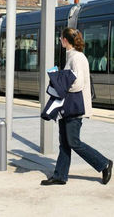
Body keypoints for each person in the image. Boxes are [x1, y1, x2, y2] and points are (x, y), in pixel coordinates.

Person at [41, 28, 113, 186]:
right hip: (67, 107)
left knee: (73, 142)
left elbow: (78, 84)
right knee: (65, 143)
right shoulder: (72, 57)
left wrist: (61, 87)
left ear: (66, 40)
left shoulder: (77, 58)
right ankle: (60, 176)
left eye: (61, 38)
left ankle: (104, 163)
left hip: (74, 106)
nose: (60, 40)